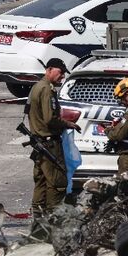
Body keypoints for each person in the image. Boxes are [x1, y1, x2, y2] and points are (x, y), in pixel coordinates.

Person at [27, 58, 78, 216]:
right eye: (60, 72)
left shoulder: (36, 87)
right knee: (57, 182)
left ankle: (37, 221)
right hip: (49, 145)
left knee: (41, 182)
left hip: (39, 142)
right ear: (49, 70)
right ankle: (52, 221)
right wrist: (67, 124)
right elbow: (50, 119)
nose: (62, 76)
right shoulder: (47, 90)